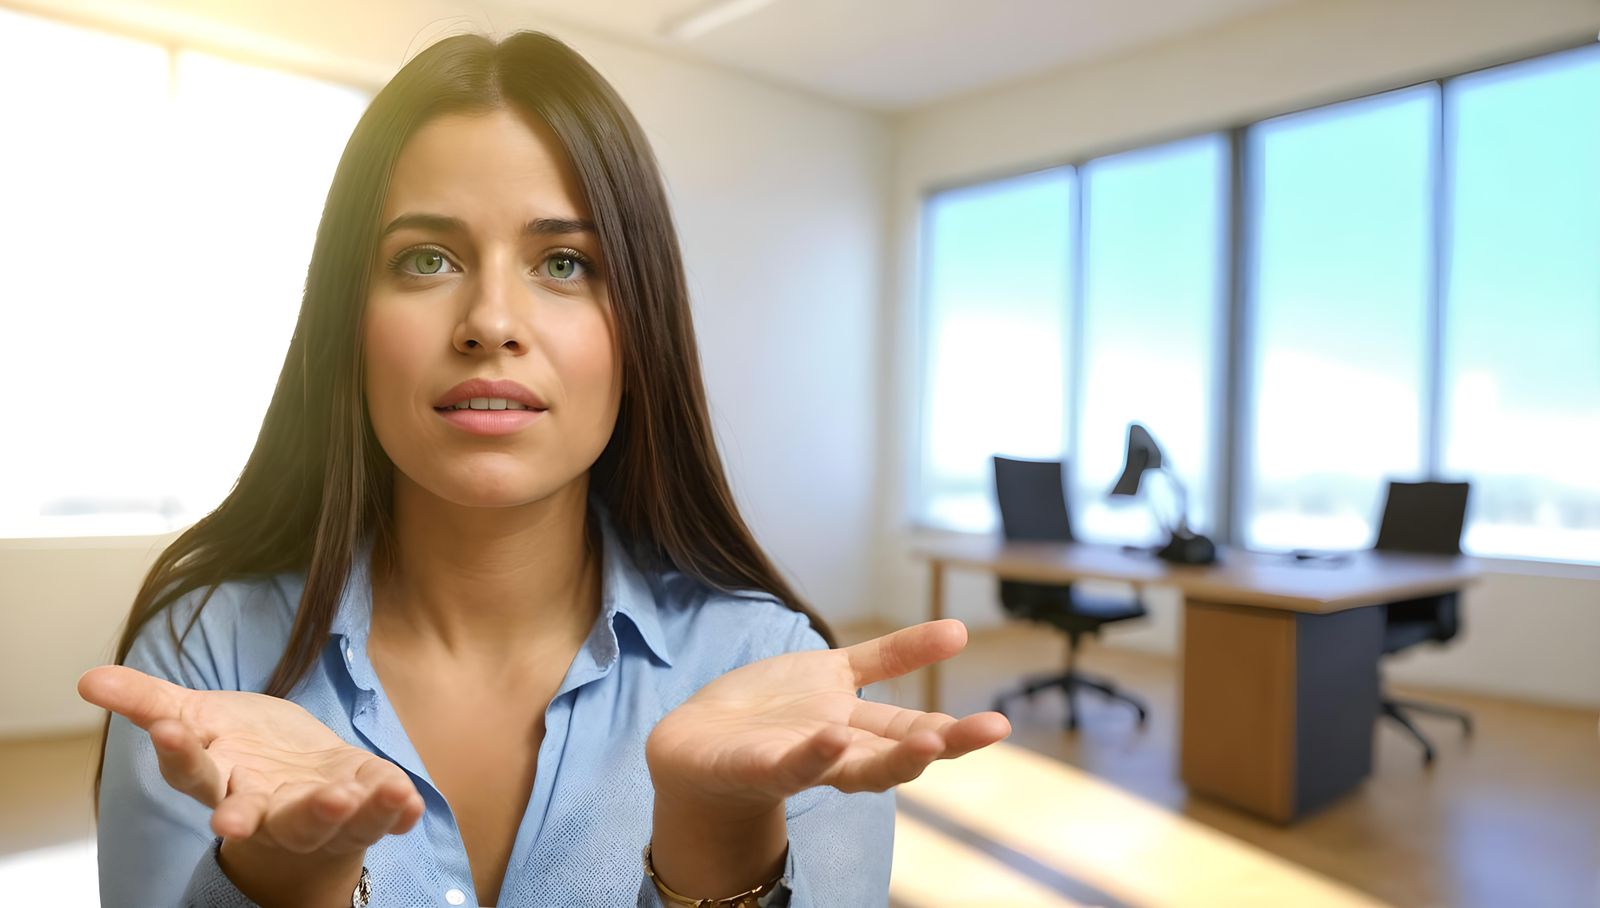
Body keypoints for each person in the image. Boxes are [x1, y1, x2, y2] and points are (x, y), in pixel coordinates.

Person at [77, 30, 1010, 908]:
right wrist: (282, 881)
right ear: (346, 322)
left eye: (563, 263)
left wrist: (717, 842)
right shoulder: (206, 659)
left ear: (638, 329)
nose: (490, 321)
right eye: (427, 258)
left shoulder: (778, 685)